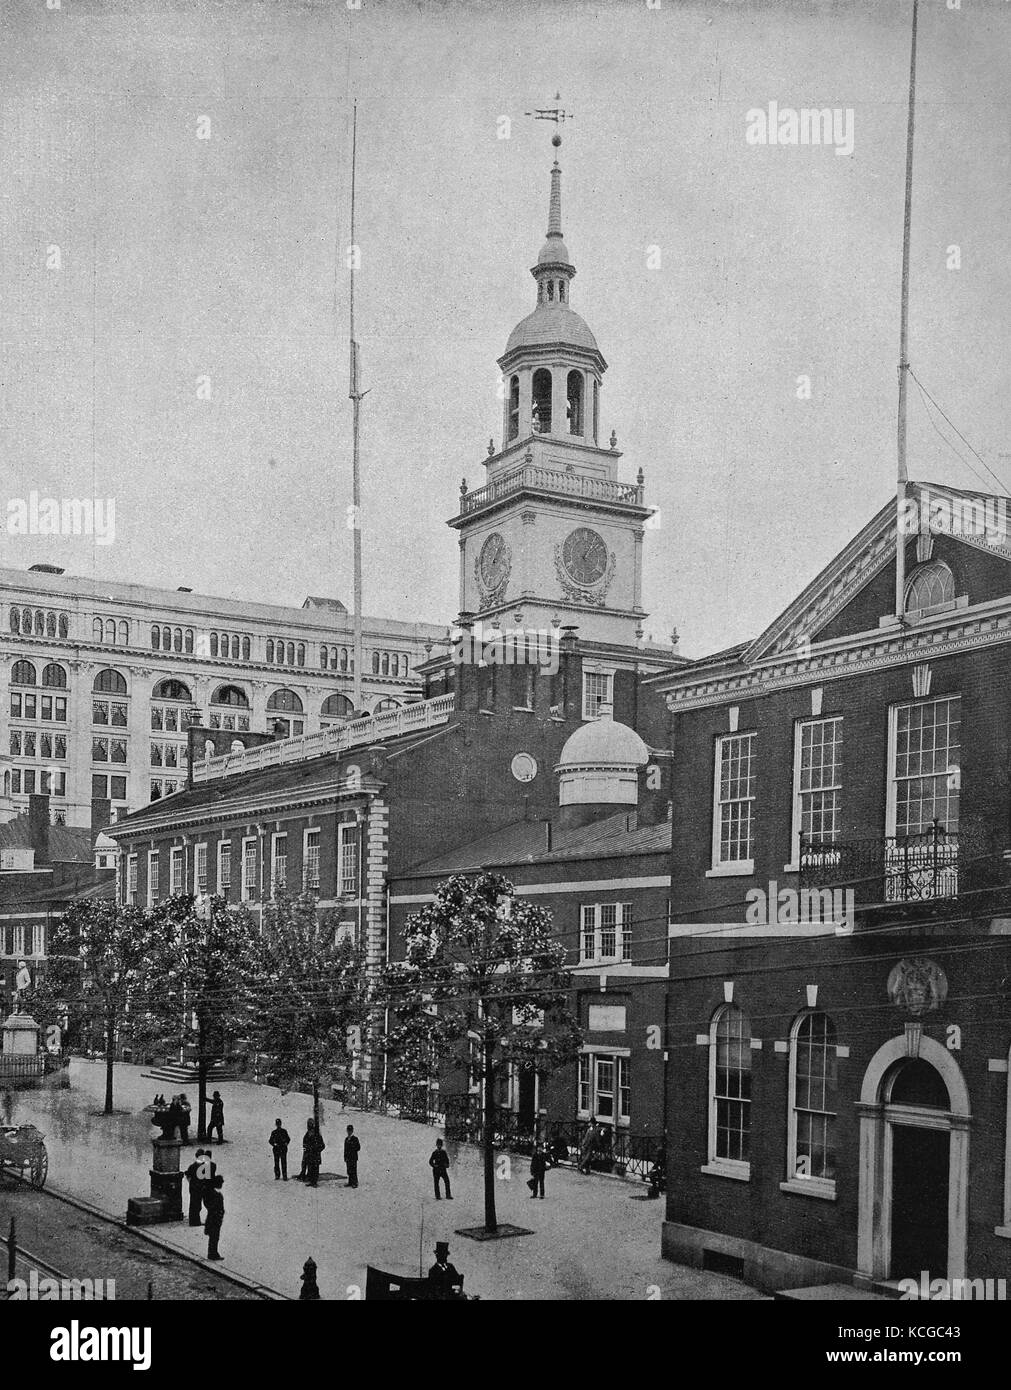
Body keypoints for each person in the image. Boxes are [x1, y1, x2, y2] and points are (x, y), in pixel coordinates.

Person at [204, 1175, 225, 1261]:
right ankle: (213, 1253)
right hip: (215, 1218)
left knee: (213, 1236)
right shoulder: (216, 1195)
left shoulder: (210, 1192)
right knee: (214, 1236)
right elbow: (216, 1207)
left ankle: (212, 1253)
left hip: (212, 1217)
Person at [298, 1118, 325, 1186]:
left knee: (315, 1169)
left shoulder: (317, 1134)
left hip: (315, 1156)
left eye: (310, 1124)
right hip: (309, 1155)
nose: (309, 1125)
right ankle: (311, 1181)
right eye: (308, 1124)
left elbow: (322, 1145)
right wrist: (306, 1149)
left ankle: (314, 1182)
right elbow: (305, 1143)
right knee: (310, 1169)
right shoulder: (307, 1134)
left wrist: (316, 1150)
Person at [184, 1150, 206, 1226]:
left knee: (194, 1204)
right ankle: (195, 1222)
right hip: (200, 1188)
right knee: (197, 1205)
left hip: (194, 1188)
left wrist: (191, 1183)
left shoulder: (192, 1166)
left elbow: (187, 1174)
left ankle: (194, 1221)